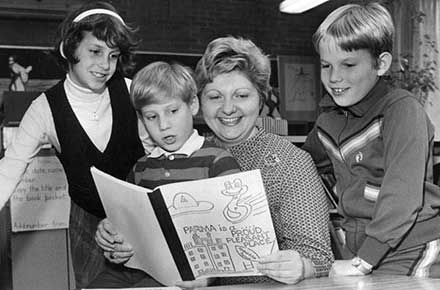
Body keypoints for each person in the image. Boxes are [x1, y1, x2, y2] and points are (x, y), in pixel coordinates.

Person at [95, 36, 334, 287]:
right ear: (198, 102)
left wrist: (302, 266)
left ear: (261, 99)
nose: (228, 108)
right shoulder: (179, 151)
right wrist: (119, 237)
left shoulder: (290, 162)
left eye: (241, 95)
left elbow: (319, 257)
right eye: (215, 96)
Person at [0, 1, 152, 287]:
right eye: (95, 51)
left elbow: (164, 154)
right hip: (88, 221)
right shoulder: (44, 108)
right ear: (70, 48)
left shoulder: (133, 92)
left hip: (142, 217)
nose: (105, 65)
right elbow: (9, 169)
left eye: (113, 55)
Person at [303, 2, 440, 277]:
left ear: (381, 64)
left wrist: (364, 261)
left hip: (413, 244)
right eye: (326, 65)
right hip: (362, 249)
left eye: (349, 64)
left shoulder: (401, 110)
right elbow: (301, 162)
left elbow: (401, 196)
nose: (334, 77)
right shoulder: (327, 121)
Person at [88, 61, 241, 287]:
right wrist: (112, 236)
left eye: (173, 111)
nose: (164, 125)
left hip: (188, 274)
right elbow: (126, 224)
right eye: (152, 117)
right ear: (141, 119)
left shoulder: (218, 161)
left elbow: (236, 233)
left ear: (193, 105)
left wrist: (206, 279)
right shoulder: (141, 168)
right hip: (133, 268)